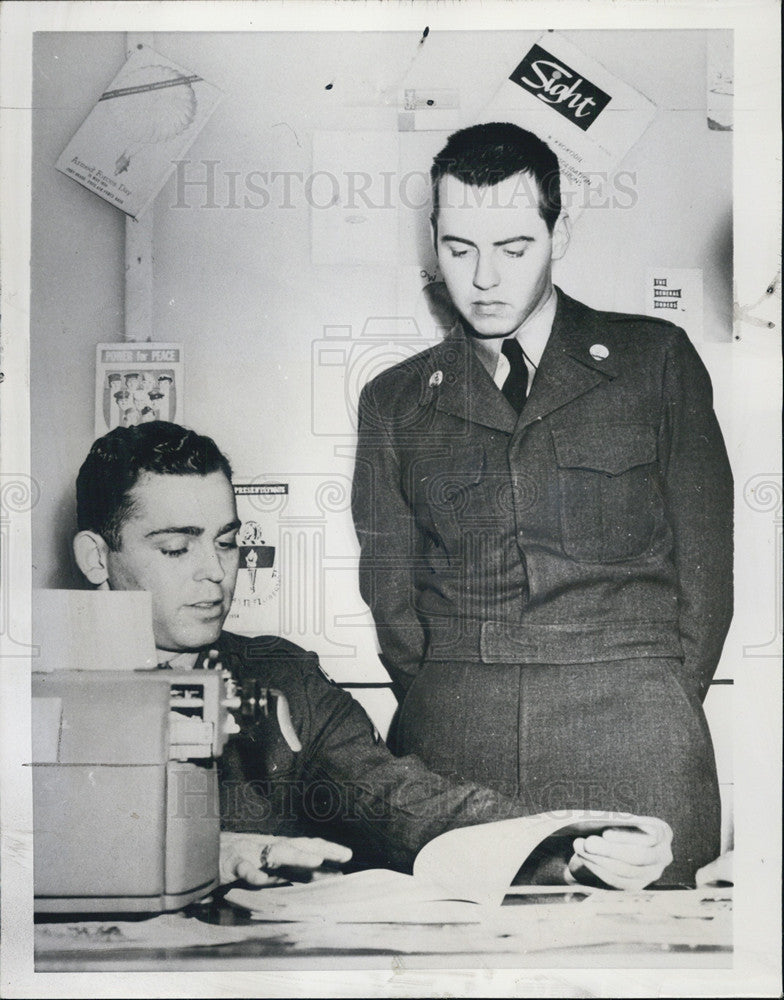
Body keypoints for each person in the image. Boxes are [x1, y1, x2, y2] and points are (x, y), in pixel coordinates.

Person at [351, 122, 733, 887]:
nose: (484, 277)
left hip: (636, 733)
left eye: (514, 247)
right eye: (459, 249)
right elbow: (390, 594)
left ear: (561, 231)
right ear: (433, 241)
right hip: (454, 741)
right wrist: (446, 692)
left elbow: (708, 573)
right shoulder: (394, 401)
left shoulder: (656, 362)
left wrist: (656, 696)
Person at [72, 420, 673, 890]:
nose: (215, 573)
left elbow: (397, 800)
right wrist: (216, 849)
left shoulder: (283, 679)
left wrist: (571, 845)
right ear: (97, 558)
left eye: (228, 543)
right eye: (177, 549)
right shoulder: (37, 692)